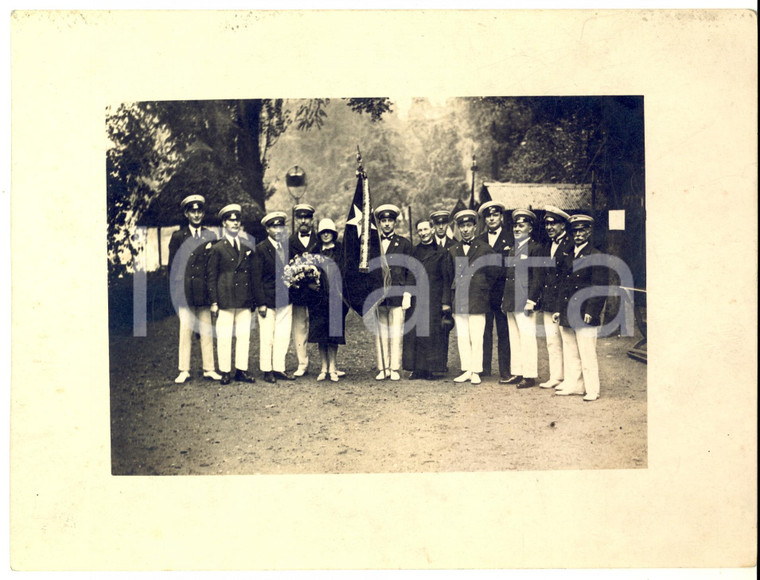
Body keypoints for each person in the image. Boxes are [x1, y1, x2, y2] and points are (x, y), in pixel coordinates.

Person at [167, 194, 222, 384]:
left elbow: (213, 267)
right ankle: (184, 370)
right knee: (186, 332)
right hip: (186, 292)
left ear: (203, 213)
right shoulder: (178, 237)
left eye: (199, 211)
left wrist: (213, 296)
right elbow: (172, 268)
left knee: (206, 331)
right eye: (193, 211)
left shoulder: (211, 236)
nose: (197, 215)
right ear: (186, 213)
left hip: (204, 292)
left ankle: (209, 369)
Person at [553, 214, 608, 401]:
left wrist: (591, 311)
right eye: (575, 230)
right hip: (568, 310)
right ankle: (574, 384)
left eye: (582, 230)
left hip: (585, 311)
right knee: (570, 350)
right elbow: (563, 285)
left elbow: (599, 288)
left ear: (589, 232)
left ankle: (592, 389)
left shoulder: (596, 256)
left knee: (587, 352)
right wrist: (559, 310)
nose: (578, 234)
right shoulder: (569, 255)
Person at [206, 204, 256, 385]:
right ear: (224, 223)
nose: (235, 223)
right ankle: (225, 371)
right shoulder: (217, 248)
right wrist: (213, 301)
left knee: (244, 336)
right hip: (225, 298)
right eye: (231, 220)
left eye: (237, 220)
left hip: (243, 298)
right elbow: (211, 277)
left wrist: (252, 300)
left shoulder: (245, 246)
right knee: (224, 336)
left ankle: (241, 370)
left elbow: (250, 275)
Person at [448, 209, 497, 385]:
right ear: (458, 229)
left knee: (477, 336)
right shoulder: (453, 250)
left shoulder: (485, 250)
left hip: (478, 299)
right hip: (459, 299)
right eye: (462, 226)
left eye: (469, 225)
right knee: (462, 336)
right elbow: (450, 276)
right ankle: (466, 369)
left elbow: (493, 274)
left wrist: (482, 289)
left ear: (475, 227)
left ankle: (476, 370)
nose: (466, 229)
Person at [402, 219, 453, 380]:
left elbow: (447, 278)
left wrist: (446, 302)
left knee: (433, 334)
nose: (423, 233)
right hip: (417, 299)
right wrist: (407, 294)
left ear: (432, 230)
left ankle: (432, 369)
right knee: (416, 334)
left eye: (425, 229)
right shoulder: (414, 252)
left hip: (434, 299)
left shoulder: (442, 252)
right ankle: (418, 369)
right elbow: (410, 274)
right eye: (420, 231)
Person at [500, 209, 543, 389]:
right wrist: (504, 299)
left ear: (530, 228)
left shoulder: (535, 248)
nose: (517, 228)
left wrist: (532, 300)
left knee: (527, 338)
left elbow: (537, 277)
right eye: (515, 225)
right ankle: (517, 372)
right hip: (511, 299)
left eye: (522, 225)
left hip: (525, 300)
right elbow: (509, 277)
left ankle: (530, 375)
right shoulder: (512, 249)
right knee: (514, 338)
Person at [252, 211, 294, 384]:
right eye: (273, 226)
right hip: (268, 299)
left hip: (285, 298)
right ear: (267, 229)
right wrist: (260, 303)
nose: (277, 230)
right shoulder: (261, 249)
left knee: (283, 335)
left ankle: (278, 367)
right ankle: (267, 369)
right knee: (267, 336)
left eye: (280, 226)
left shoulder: (286, 246)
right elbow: (256, 278)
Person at [373, 204, 413, 381]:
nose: (387, 224)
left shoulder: (404, 244)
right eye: (383, 221)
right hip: (379, 297)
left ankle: (395, 368)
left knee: (396, 332)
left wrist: (407, 294)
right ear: (380, 223)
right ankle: (383, 367)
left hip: (397, 294)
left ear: (395, 222)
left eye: (390, 220)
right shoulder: (374, 245)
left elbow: (411, 270)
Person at [307, 218, 349, 382]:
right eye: (323, 232)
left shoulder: (340, 251)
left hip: (336, 299)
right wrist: (311, 284)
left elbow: (345, 273)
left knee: (333, 335)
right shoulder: (314, 251)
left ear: (333, 234)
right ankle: (323, 368)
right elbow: (306, 274)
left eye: (329, 232)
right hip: (318, 300)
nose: (326, 235)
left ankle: (333, 367)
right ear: (319, 234)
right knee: (321, 335)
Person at [537, 206, 574, 389]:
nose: (549, 227)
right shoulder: (547, 246)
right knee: (552, 340)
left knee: (567, 340)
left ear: (562, 225)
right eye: (547, 223)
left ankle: (570, 378)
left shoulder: (571, 244)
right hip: (549, 300)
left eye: (553, 223)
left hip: (564, 301)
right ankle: (556, 376)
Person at [476, 200, 513, 381]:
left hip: (503, 292)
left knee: (504, 331)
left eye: (495, 215)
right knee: (484, 329)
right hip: (484, 293)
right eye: (488, 216)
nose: (491, 218)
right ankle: (484, 367)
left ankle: (506, 369)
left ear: (501, 217)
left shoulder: (510, 238)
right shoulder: (479, 240)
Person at [288, 203, 318, 377]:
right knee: (299, 327)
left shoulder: (319, 240)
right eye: (300, 217)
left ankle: (325, 365)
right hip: (298, 292)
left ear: (312, 220)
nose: (304, 221)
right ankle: (302, 363)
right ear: (296, 220)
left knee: (320, 325)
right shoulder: (290, 242)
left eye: (307, 217)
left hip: (317, 292)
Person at [429, 210, 456, 372]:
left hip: (447, 294)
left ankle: (442, 363)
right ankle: (431, 363)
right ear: (433, 226)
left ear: (447, 225)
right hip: (431, 294)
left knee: (444, 327)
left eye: (443, 223)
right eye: (437, 224)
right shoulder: (428, 244)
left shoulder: (454, 245)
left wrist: (448, 300)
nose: (440, 227)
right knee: (430, 328)